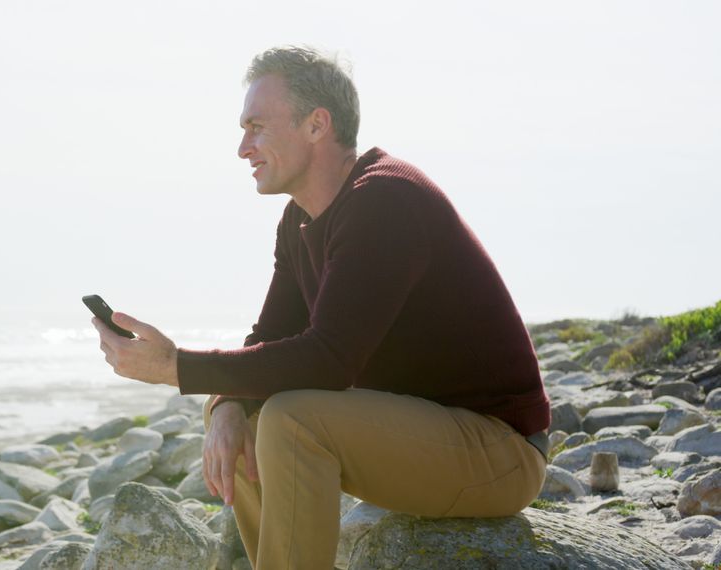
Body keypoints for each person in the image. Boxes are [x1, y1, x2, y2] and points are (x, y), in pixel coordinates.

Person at [91, 45, 550, 570]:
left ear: (317, 124)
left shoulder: (386, 198)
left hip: (498, 453)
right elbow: (269, 339)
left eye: (257, 126)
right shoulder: (299, 221)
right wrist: (224, 406)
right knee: (251, 412)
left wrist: (175, 367)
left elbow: (328, 361)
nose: (244, 147)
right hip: (423, 440)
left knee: (292, 417)